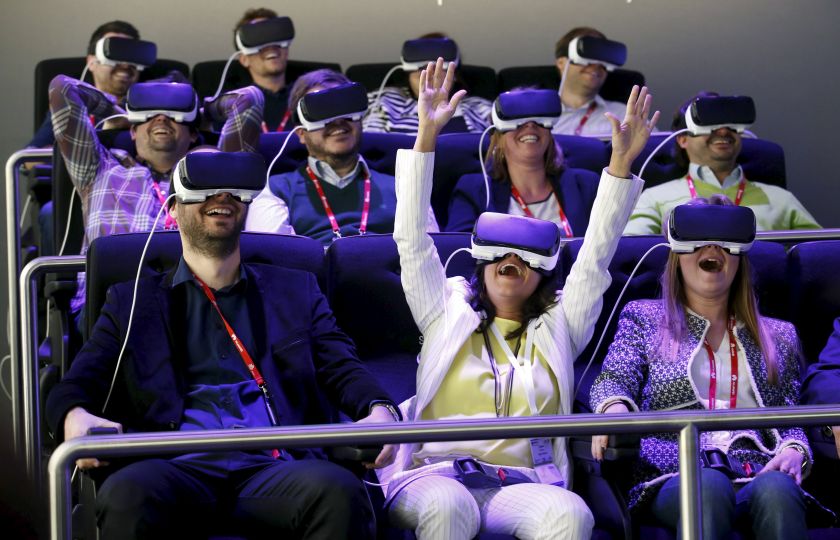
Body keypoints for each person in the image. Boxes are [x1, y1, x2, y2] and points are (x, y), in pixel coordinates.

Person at [45, 150, 400, 539]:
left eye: (232, 193)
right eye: (205, 191)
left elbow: (342, 366)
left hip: (275, 466)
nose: (221, 198)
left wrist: (380, 408)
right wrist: (73, 417)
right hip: (174, 466)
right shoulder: (132, 302)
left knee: (338, 492)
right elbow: (75, 384)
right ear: (174, 209)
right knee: (128, 494)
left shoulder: (295, 289)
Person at [380, 58, 656, 539]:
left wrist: (620, 164)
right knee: (450, 510)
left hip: (522, 482)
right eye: (501, 254)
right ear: (481, 265)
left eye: (528, 258)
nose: (513, 261)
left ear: (544, 275)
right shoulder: (445, 310)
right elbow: (412, 241)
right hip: (437, 476)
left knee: (570, 515)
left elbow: (594, 259)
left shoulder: (560, 326)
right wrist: (427, 135)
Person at [590, 196, 814, 539]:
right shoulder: (644, 319)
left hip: (757, 468)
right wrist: (614, 408)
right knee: (707, 485)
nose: (712, 248)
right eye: (697, 239)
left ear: (740, 257)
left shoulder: (780, 336)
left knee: (779, 490)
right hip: (672, 472)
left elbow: (791, 420)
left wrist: (794, 453)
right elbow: (614, 379)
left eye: (725, 240)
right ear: (676, 255)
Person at [49, 73, 263, 314]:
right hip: (109, 306)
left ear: (193, 133)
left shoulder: (214, 174)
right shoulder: (100, 168)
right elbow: (62, 89)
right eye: (149, 113)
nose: (161, 117)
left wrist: (202, 111)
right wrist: (115, 111)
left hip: (192, 306)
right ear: (132, 131)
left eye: (173, 113)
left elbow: (250, 99)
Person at [246, 69, 438, 245]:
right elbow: (273, 260)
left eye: (345, 108)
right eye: (322, 111)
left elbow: (431, 254)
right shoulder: (275, 190)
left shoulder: (402, 187)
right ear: (301, 133)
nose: (338, 121)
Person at [624, 91, 820, 234]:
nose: (724, 131)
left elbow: (820, 257)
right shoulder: (654, 198)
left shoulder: (781, 199)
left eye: (730, 124)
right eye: (709, 123)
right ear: (683, 139)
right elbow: (633, 253)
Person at [446, 89, 599, 234]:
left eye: (539, 119)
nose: (530, 125)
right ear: (497, 138)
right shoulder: (474, 189)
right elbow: (458, 252)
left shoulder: (586, 184)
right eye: (517, 119)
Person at [29, 20, 145, 148]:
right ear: (91, 62)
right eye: (114, 52)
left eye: (131, 55)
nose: (125, 64)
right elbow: (30, 160)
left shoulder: (151, 108)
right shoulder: (72, 104)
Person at [362, 33, 491, 134]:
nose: (428, 68)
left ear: (455, 75)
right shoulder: (385, 100)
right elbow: (369, 145)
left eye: (438, 64)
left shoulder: (478, 107)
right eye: (420, 63)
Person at [551, 27, 626, 137]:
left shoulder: (624, 115)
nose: (596, 66)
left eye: (602, 60)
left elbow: (658, 151)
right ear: (561, 63)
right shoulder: (534, 115)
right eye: (586, 56)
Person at [233, 8, 295, 132]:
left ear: (286, 50)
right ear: (244, 59)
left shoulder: (307, 96)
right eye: (258, 38)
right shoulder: (233, 105)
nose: (270, 47)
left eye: (274, 37)